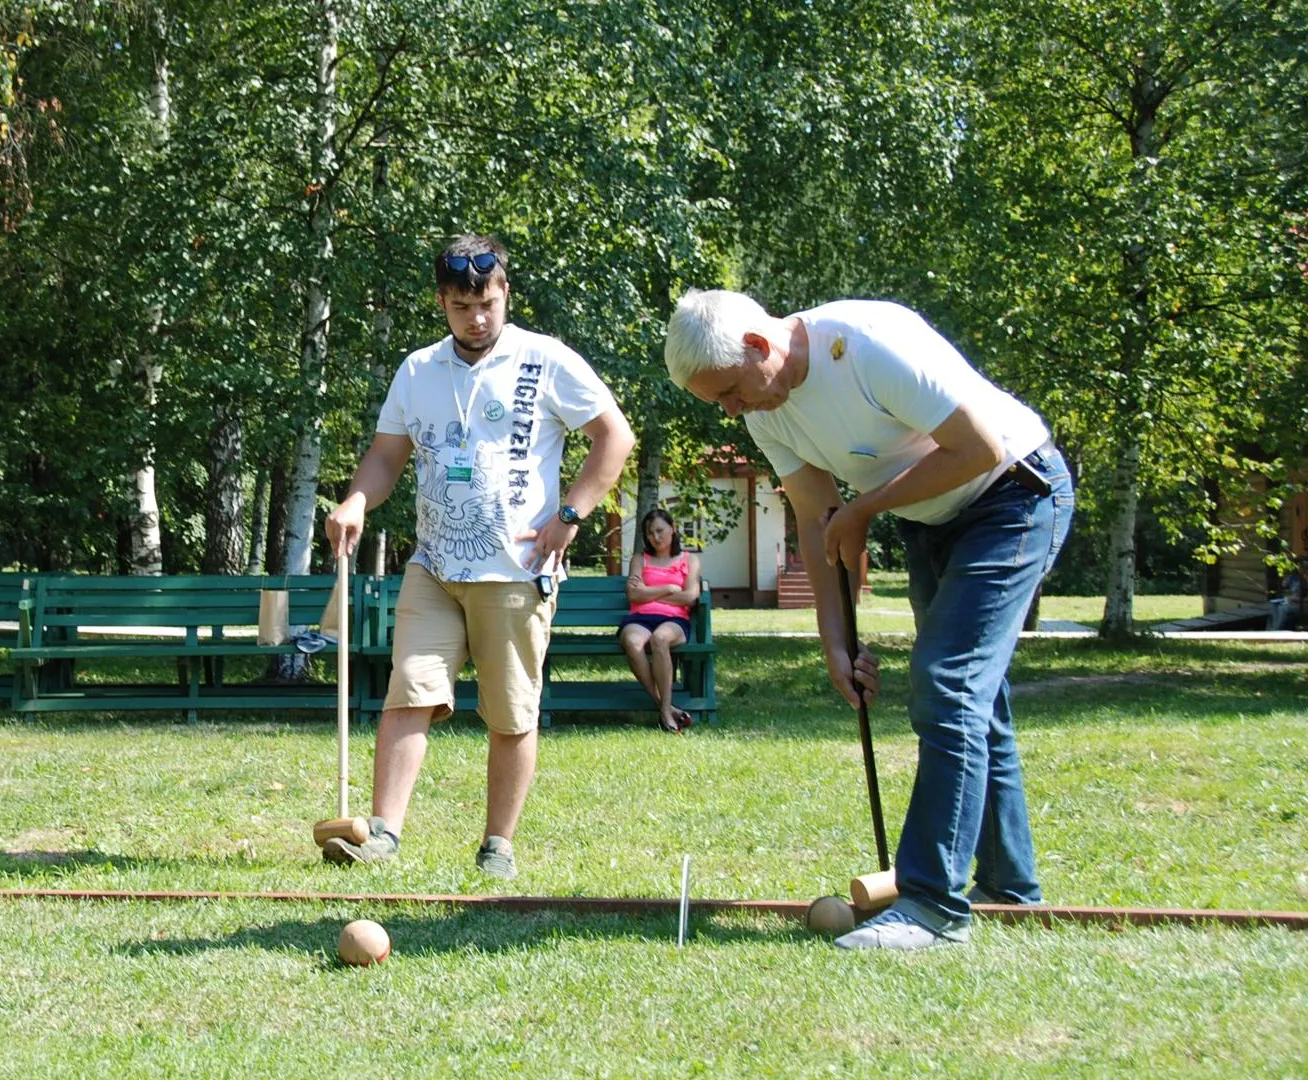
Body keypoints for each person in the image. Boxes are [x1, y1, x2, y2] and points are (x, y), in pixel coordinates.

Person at [664, 289, 1073, 950]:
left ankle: (933, 906)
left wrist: (865, 510)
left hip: (1014, 497)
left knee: (949, 684)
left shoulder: (865, 344)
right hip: (934, 520)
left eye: (732, 393)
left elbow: (977, 447)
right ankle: (1009, 887)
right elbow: (817, 519)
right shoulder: (769, 414)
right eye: (719, 403)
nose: (732, 411)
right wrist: (834, 642)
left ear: (760, 347)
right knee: (975, 698)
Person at [321, 235, 635, 880]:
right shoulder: (417, 370)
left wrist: (569, 517)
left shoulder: (545, 360)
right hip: (434, 565)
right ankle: (382, 832)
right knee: (408, 692)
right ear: (442, 302)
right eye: (462, 306)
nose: (477, 317)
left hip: (516, 571)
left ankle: (498, 843)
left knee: (511, 711)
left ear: (504, 294)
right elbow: (386, 457)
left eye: (486, 302)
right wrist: (356, 501)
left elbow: (615, 437)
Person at [619, 509, 703, 733]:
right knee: (632, 642)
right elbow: (633, 595)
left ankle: (665, 709)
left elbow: (690, 597)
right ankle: (666, 707)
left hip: (675, 620)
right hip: (640, 617)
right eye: (649, 533)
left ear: (673, 529)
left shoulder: (690, 560)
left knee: (660, 639)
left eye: (660, 530)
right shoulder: (640, 559)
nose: (655, 537)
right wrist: (667, 588)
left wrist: (648, 591)